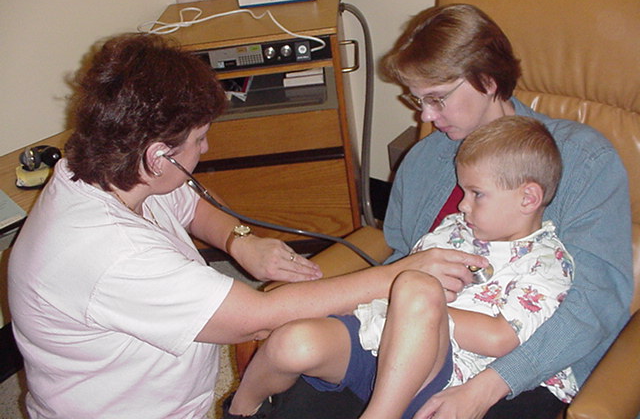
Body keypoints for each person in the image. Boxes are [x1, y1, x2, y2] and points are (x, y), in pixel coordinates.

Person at [6, 33, 475, 419]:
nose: (205, 149)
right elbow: (257, 316)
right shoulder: (112, 253)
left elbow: (188, 205)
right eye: (199, 139)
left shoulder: (102, 165)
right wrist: (402, 274)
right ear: (158, 156)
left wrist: (240, 241)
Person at [270, 3, 633, 419]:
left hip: (520, 367)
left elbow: (596, 304)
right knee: (301, 401)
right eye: (418, 99)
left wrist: (486, 388)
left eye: (437, 98)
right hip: (414, 344)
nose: (425, 116)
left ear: (487, 81)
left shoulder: (582, 159)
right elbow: (402, 255)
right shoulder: (424, 160)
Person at [224, 116, 577, 419]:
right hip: (378, 342)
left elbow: (499, 339)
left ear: (528, 198)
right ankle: (241, 410)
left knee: (415, 286)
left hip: (441, 373)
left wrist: (416, 308)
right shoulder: (456, 227)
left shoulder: (546, 261)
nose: (462, 205)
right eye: (462, 192)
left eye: (476, 194)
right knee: (291, 342)